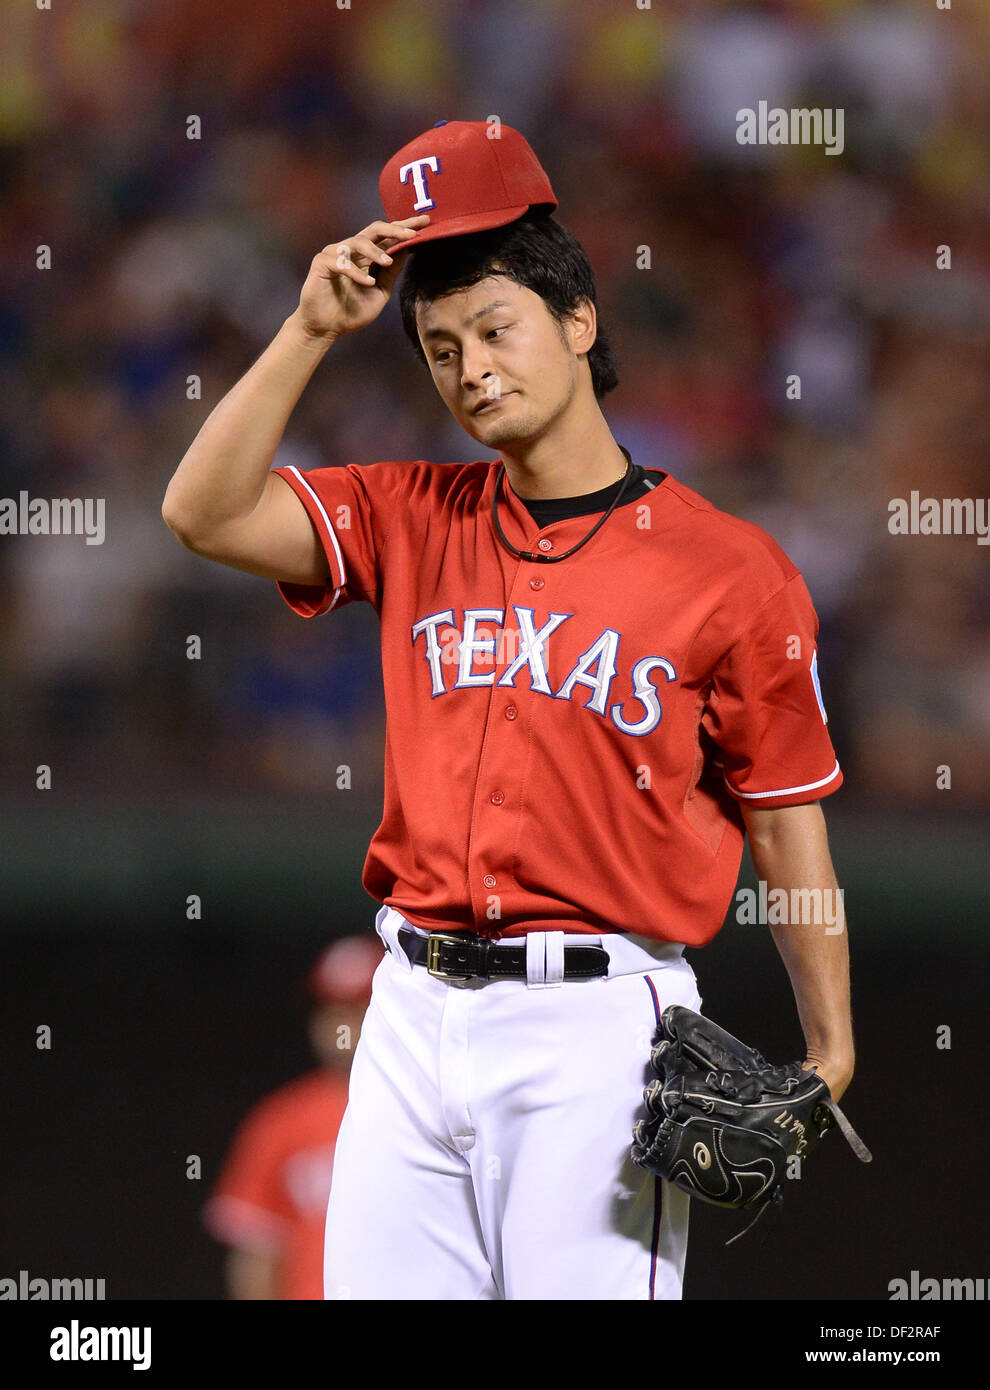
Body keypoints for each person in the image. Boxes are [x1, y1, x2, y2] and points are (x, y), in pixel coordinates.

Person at [163, 120, 855, 1300]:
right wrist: (310, 330)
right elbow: (203, 510)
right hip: (411, 1009)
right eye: (438, 348)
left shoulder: (731, 571)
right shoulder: (411, 509)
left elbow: (788, 825)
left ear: (580, 321)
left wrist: (831, 1047)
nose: (471, 368)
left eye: (496, 329)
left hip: (599, 1022)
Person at [202, 936, 383, 1300]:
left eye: (358, 1009)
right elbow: (258, 1252)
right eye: (331, 1009)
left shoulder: (433, 1108)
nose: (341, 1027)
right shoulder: (279, 1120)